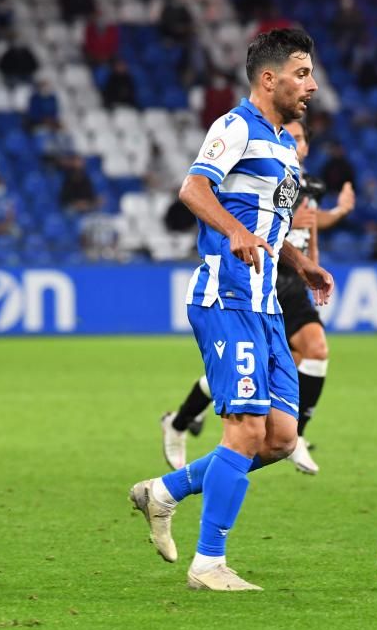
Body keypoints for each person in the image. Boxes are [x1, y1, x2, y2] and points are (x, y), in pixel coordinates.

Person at [128, 29, 332, 592]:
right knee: (244, 430)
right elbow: (194, 190)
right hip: (226, 296)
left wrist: (299, 262)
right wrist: (235, 230)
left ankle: (163, 492)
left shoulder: (285, 146)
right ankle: (208, 564)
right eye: (302, 73)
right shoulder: (235, 125)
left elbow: (272, 226)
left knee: (281, 438)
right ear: (269, 79)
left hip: (267, 305)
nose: (311, 85)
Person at [160, 118, 355, 475]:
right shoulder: (256, 161)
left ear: (307, 146)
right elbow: (265, 219)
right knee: (251, 377)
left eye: (299, 138)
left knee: (315, 349)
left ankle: (295, 437)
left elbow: (310, 227)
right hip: (256, 275)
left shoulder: (308, 185)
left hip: (289, 284)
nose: (294, 143)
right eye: (290, 136)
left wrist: (314, 259)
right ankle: (179, 423)